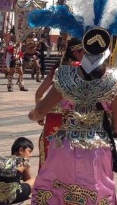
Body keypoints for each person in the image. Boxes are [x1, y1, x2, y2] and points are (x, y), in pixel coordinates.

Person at [28, 26, 117, 204]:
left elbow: (41, 110)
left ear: (83, 49)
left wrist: (32, 116)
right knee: (96, 191)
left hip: (65, 143)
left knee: (57, 190)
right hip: (97, 146)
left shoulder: (65, 76)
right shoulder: (115, 78)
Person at [34, 37, 83, 170]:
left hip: (52, 120)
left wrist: (40, 113)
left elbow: (39, 93)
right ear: (77, 52)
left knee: (49, 159)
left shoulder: (58, 69)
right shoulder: (86, 72)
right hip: (76, 122)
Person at [0, 137, 35, 204]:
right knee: (34, 180)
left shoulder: (2, 159)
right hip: (12, 197)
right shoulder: (23, 161)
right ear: (21, 150)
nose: (31, 155)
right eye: (29, 151)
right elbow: (27, 180)